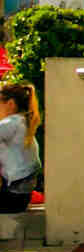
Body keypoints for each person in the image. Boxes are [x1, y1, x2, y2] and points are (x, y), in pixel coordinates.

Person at [0, 83, 42, 213]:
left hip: (13, 197)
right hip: (21, 196)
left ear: (10, 104)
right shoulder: (22, 122)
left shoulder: (12, 123)